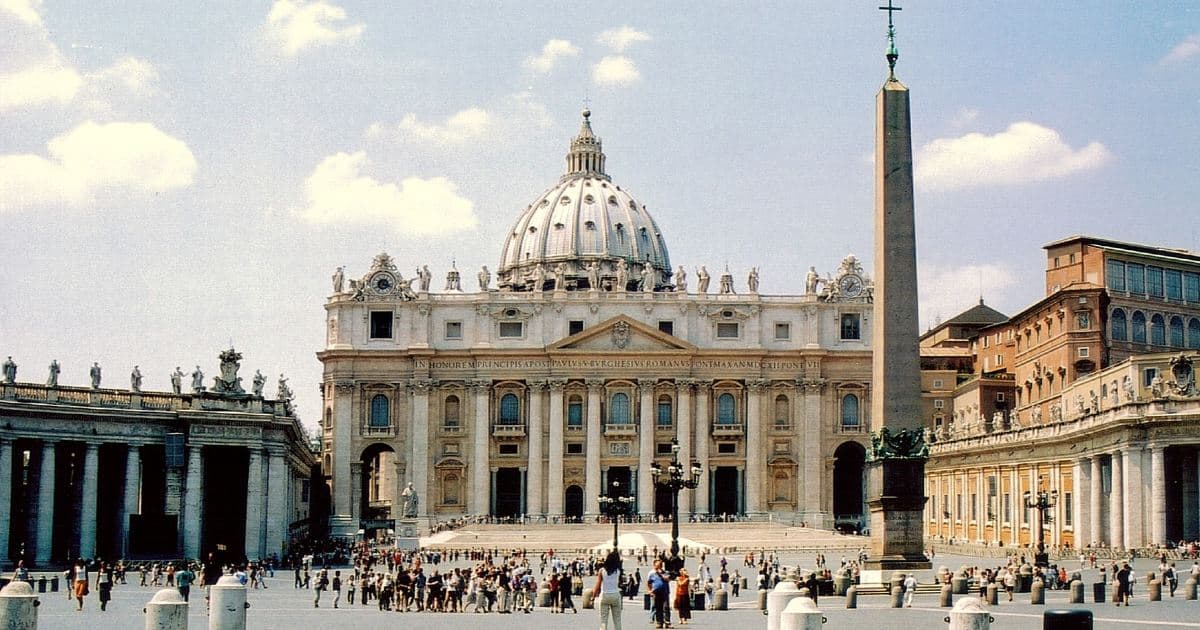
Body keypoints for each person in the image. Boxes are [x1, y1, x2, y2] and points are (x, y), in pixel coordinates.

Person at [594, 550, 624, 630]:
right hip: (615, 594)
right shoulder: (618, 571)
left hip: (605, 595)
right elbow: (620, 583)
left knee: (603, 620)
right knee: (617, 620)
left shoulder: (602, 570)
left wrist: (593, 596)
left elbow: (598, 584)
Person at [646, 558, 671, 629]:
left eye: (660, 565)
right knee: (658, 608)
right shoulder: (651, 574)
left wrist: (660, 574)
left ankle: (667, 622)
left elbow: (667, 579)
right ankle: (659, 622)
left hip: (665, 592)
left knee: (666, 607)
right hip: (656, 593)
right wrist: (650, 591)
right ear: (654, 566)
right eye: (657, 566)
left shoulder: (665, 572)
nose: (659, 567)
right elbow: (648, 583)